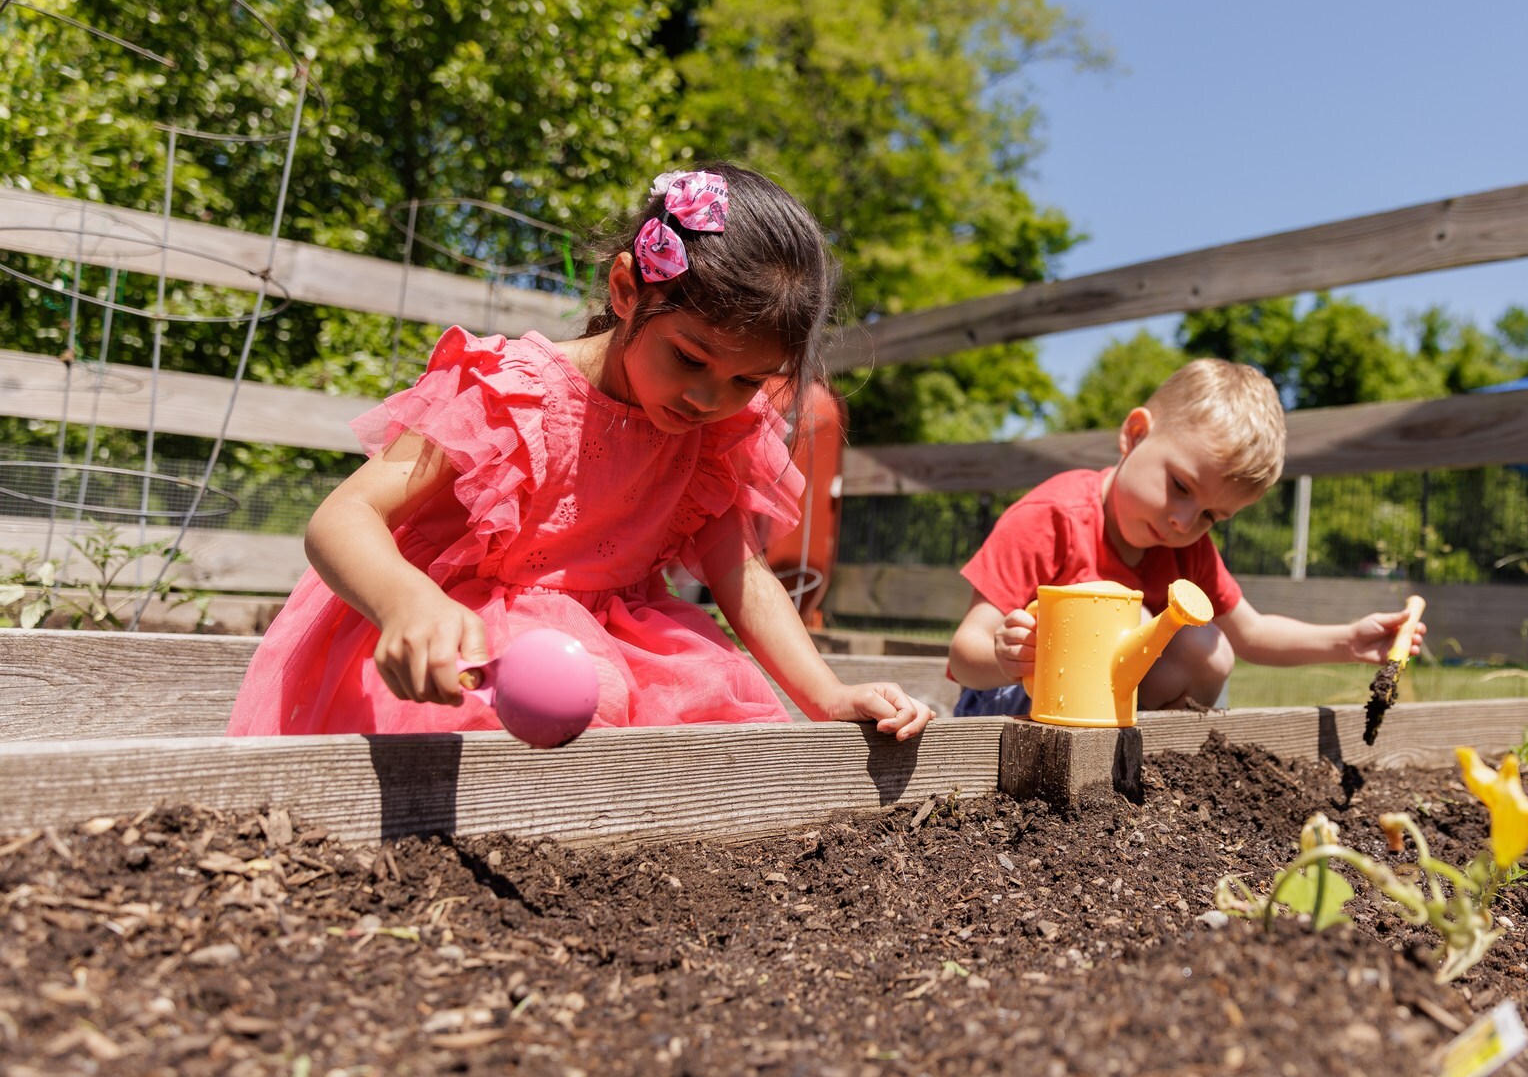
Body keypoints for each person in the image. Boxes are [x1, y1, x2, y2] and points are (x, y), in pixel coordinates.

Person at [229, 166, 933, 741]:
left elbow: (740, 574)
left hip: (621, 650)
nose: (709, 398)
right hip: (475, 645)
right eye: (689, 359)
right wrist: (407, 602)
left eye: (748, 380)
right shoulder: (513, 393)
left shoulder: (716, 432)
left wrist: (827, 695)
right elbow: (342, 517)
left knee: (704, 742)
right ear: (627, 291)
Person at [946, 359, 1421, 716]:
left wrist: (1349, 643)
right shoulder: (1052, 517)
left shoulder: (1188, 547)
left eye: (1212, 515)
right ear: (1134, 435)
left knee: (1204, 646)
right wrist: (1008, 656)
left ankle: (1146, 772)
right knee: (1144, 619)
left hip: (1103, 717)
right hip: (1010, 711)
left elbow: (1251, 634)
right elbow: (965, 654)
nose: (1184, 521)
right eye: (1179, 486)